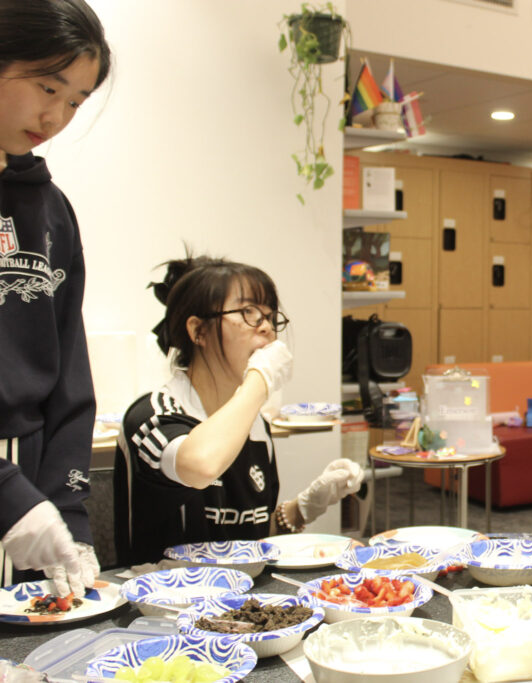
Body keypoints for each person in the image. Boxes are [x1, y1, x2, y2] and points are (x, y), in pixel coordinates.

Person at [113, 254, 364, 566]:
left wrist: (305, 506)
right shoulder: (153, 416)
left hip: (243, 602)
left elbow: (249, 541)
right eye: (249, 313)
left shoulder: (256, 425)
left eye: (270, 317)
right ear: (198, 331)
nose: (268, 329)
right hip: (165, 607)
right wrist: (261, 378)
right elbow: (202, 464)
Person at [0, 0, 111, 597]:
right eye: (48, 86)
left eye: (75, 101)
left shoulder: (50, 208)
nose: (57, 115)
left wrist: (66, 505)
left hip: (34, 472)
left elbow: (69, 366)